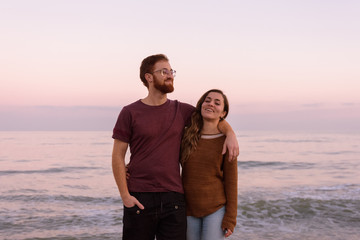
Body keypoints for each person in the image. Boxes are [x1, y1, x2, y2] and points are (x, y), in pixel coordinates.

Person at [112, 54, 239, 240]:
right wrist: (125, 195)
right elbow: (117, 156)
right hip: (139, 196)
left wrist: (230, 133)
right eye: (164, 71)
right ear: (149, 77)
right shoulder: (130, 112)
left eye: (171, 71)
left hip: (175, 200)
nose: (170, 75)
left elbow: (212, 116)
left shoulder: (182, 111)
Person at [181, 89, 238, 240]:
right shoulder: (186, 136)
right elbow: (166, 160)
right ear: (201, 105)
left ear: (223, 113)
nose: (211, 104)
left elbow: (231, 183)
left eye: (217, 103)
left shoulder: (226, 142)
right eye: (208, 100)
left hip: (216, 209)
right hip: (188, 209)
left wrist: (230, 218)